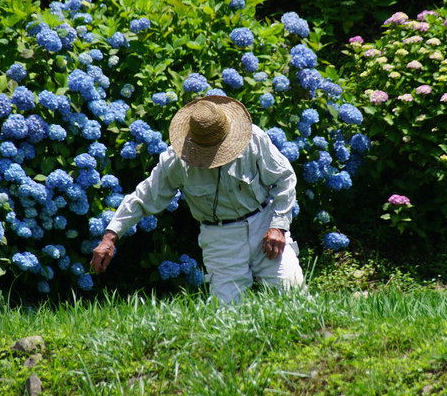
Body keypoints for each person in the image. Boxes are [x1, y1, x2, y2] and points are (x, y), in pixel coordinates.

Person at [90, 94, 304, 304]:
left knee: (292, 293)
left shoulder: (253, 137)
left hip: (264, 223)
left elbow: (284, 178)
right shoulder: (176, 160)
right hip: (220, 238)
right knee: (228, 311)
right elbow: (144, 196)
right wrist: (110, 236)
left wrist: (278, 226)